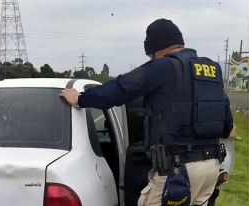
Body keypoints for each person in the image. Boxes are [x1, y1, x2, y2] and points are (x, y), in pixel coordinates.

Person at [60, 18, 235, 206]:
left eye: (151, 56)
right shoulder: (212, 71)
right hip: (211, 168)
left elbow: (120, 89)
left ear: (158, 49)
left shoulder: (163, 66)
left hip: (178, 172)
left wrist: (80, 99)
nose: (151, 60)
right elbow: (228, 129)